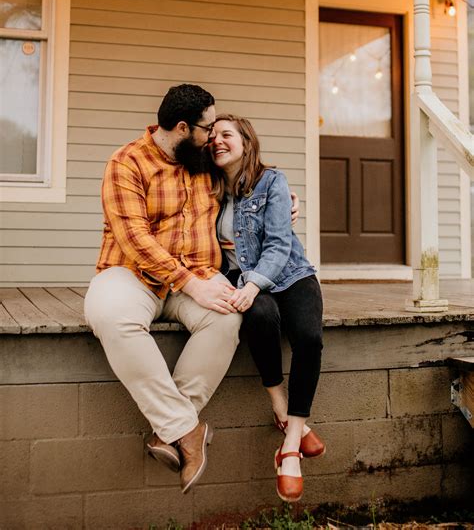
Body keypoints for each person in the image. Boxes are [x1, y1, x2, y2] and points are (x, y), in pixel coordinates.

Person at [84, 84, 242, 495]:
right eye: (207, 128)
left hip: (194, 272)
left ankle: (168, 430)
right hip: (131, 273)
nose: (213, 137)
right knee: (111, 316)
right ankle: (188, 432)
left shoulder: (203, 159)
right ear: (182, 127)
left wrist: (283, 198)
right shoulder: (127, 162)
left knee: (227, 315)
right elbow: (133, 237)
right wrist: (189, 282)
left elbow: (250, 177)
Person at [210, 114, 325, 503]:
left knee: (308, 338)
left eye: (226, 135)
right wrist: (241, 285)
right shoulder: (207, 189)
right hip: (243, 280)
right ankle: (280, 403)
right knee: (260, 316)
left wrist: (254, 282)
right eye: (212, 136)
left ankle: (289, 444)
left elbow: (278, 246)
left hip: (290, 273)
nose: (217, 141)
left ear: (246, 141)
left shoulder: (272, 181)